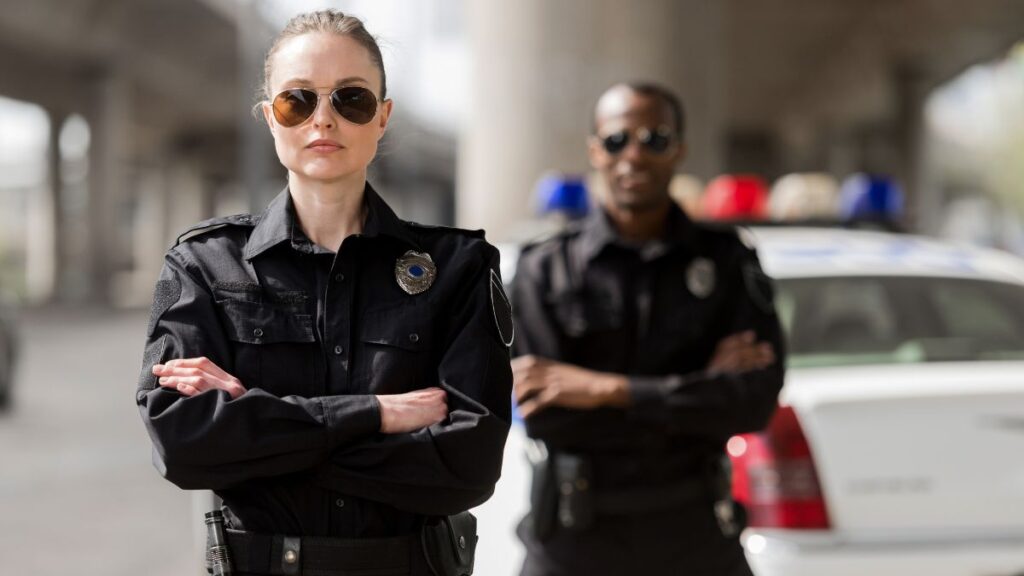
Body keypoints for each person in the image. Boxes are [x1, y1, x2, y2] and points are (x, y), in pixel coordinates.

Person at [135, 11, 513, 576]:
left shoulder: (457, 268)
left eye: (351, 100)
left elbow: (470, 464)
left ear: (383, 117)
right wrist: (377, 414)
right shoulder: (203, 265)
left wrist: (257, 429)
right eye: (298, 101)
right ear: (269, 117)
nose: (324, 120)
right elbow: (184, 445)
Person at [511, 82, 785, 576]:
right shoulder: (544, 268)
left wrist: (603, 388)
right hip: (575, 537)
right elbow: (545, 414)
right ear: (596, 150)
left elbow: (752, 401)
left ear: (679, 149)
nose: (634, 155)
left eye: (654, 139)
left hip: (696, 533)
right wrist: (697, 390)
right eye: (618, 140)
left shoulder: (726, 261)